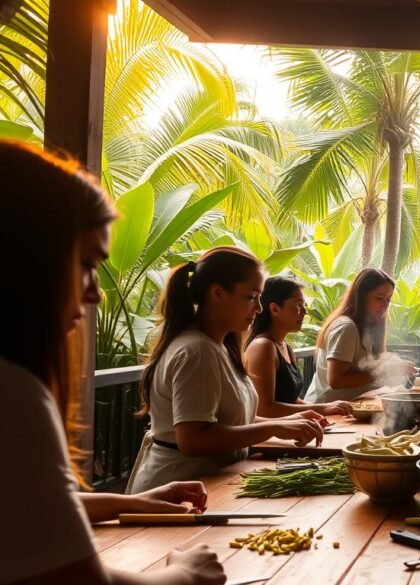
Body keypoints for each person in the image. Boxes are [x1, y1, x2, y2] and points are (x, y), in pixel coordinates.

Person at [0, 140, 225, 584]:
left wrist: (138, 500)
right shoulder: (12, 393)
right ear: (26, 257)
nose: (95, 291)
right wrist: (184, 574)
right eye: (86, 263)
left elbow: (31, 510)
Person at [127, 247, 325, 494]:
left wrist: (288, 421)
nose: (259, 309)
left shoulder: (219, 347)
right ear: (218, 293)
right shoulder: (197, 351)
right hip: (177, 489)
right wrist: (274, 428)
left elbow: (230, 420)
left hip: (207, 484)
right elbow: (193, 439)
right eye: (251, 297)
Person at [244, 276, 353, 418]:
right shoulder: (263, 346)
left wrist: (328, 407)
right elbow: (265, 410)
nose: (304, 312)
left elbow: (291, 401)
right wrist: (322, 408)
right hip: (269, 436)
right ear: (275, 309)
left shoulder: (285, 347)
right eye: (298, 305)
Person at [304, 268, 415, 403]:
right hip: (325, 410)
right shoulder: (346, 327)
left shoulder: (370, 328)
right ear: (361, 297)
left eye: (388, 299)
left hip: (354, 405)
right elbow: (336, 381)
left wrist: (396, 368)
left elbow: (371, 372)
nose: (385, 305)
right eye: (379, 298)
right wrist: (384, 370)